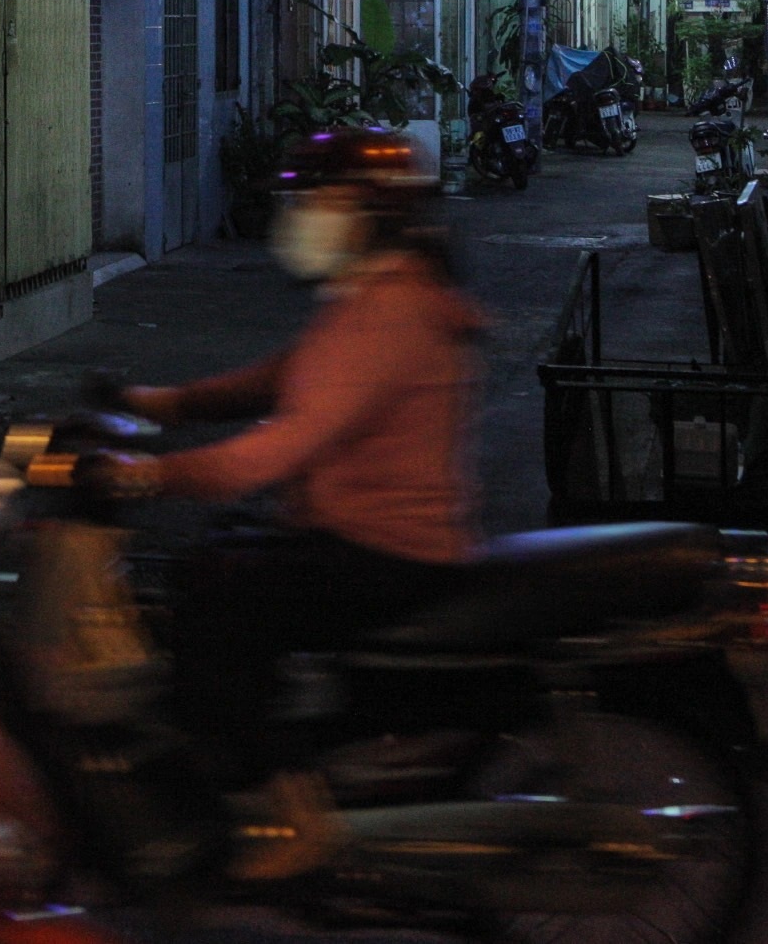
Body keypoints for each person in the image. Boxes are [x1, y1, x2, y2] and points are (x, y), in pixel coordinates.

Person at [81, 126, 483, 878]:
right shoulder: (379, 294)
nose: (300, 215)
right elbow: (271, 380)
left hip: (384, 549)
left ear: (367, 212)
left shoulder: (390, 309)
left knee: (217, 611)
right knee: (217, 560)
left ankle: (299, 818)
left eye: (316, 200)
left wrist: (147, 475)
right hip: (364, 534)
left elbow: (277, 444)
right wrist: (148, 402)